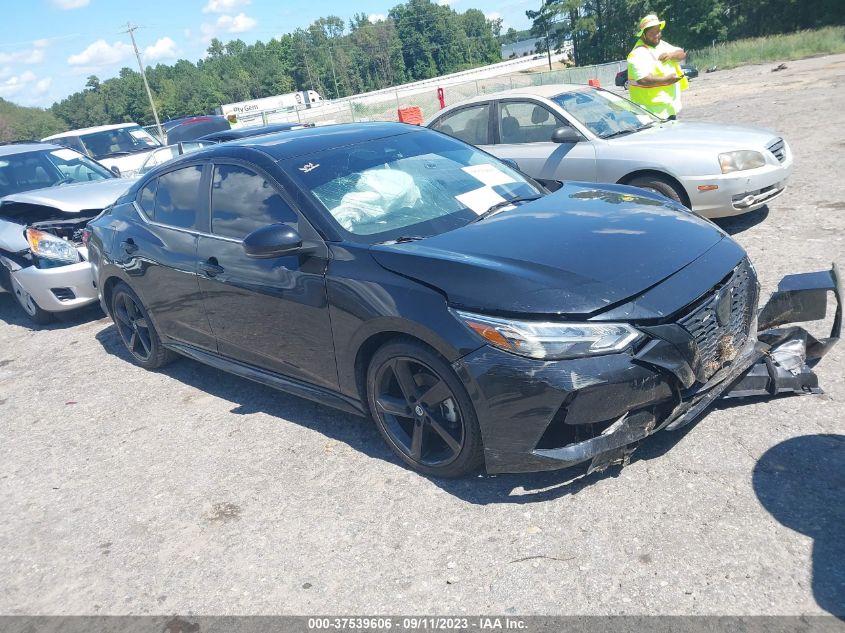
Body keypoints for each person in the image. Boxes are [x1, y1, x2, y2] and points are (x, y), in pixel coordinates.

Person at [627, 14, 688, 120]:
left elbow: (682, 54)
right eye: (652, 33)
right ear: (643, 35)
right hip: (649, 114)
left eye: (658, 31)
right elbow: (643, 79)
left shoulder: (662, 45)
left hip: (667, 109)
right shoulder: (638, 53)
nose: (656, 35)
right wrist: (667, 80)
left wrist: (671, 55)